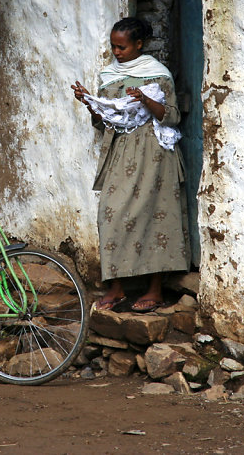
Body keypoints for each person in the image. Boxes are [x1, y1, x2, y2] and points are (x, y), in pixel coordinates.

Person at [70, 17, 190, 313]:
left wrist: (146, 100)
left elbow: (172, 116)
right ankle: (118, 286)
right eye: (113, 46)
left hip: (154, 153)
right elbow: (103, 123)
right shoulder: (108, 75)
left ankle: (155, 289)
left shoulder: (157, 75)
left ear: (139, 44)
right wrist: (91, 103)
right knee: (110, 215)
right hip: (121, 151)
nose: (116, 52)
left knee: (155, 215)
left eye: (122, 46)